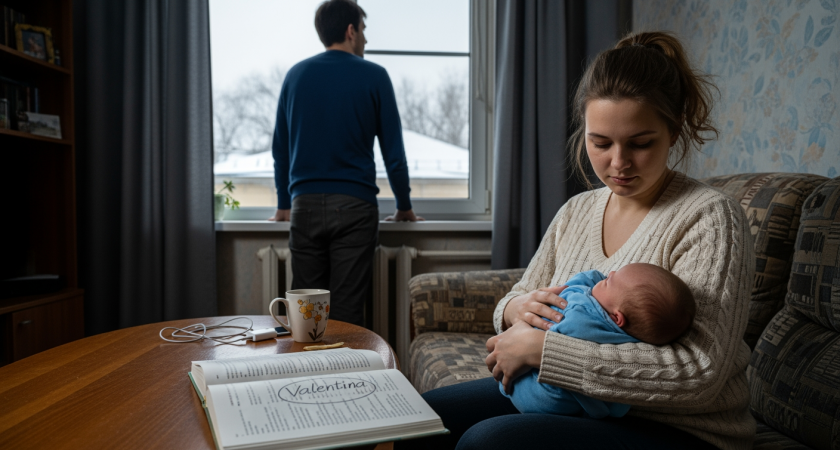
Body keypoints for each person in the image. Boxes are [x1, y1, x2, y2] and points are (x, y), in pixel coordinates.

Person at [397, 31, 755, 450]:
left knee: (487, 442)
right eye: (600, 142)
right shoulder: (577, 211)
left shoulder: (710, 218)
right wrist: (516, 309)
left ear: (673, 131)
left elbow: (699, 373)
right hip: (569, 400)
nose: (618, 163)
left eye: (640, 144)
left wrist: (542, 351)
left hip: (678, 429)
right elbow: (515, 296)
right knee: (419, 421)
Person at [269, 0, 422, 327]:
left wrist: (284, 203)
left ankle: (303, 378)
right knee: (347, 312)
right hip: (354, 209)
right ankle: (346, 379)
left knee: (306, 312)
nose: (365, 40)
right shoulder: (375, 76)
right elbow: (393, 152)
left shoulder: (295, 75)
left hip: (304, 207)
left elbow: (280, 148)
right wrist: (404, 205)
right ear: (351, 31)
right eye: (364, 31)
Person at [501, 263, 696, 417]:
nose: (609, 273)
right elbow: (593, 280)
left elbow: (547, 333)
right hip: (580, 407)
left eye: (610, 282)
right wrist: (511, 308)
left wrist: (521, 334)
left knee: (486, 436)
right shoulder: (628, 334)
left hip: (545, 397)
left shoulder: (582, 322)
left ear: (616, 317)